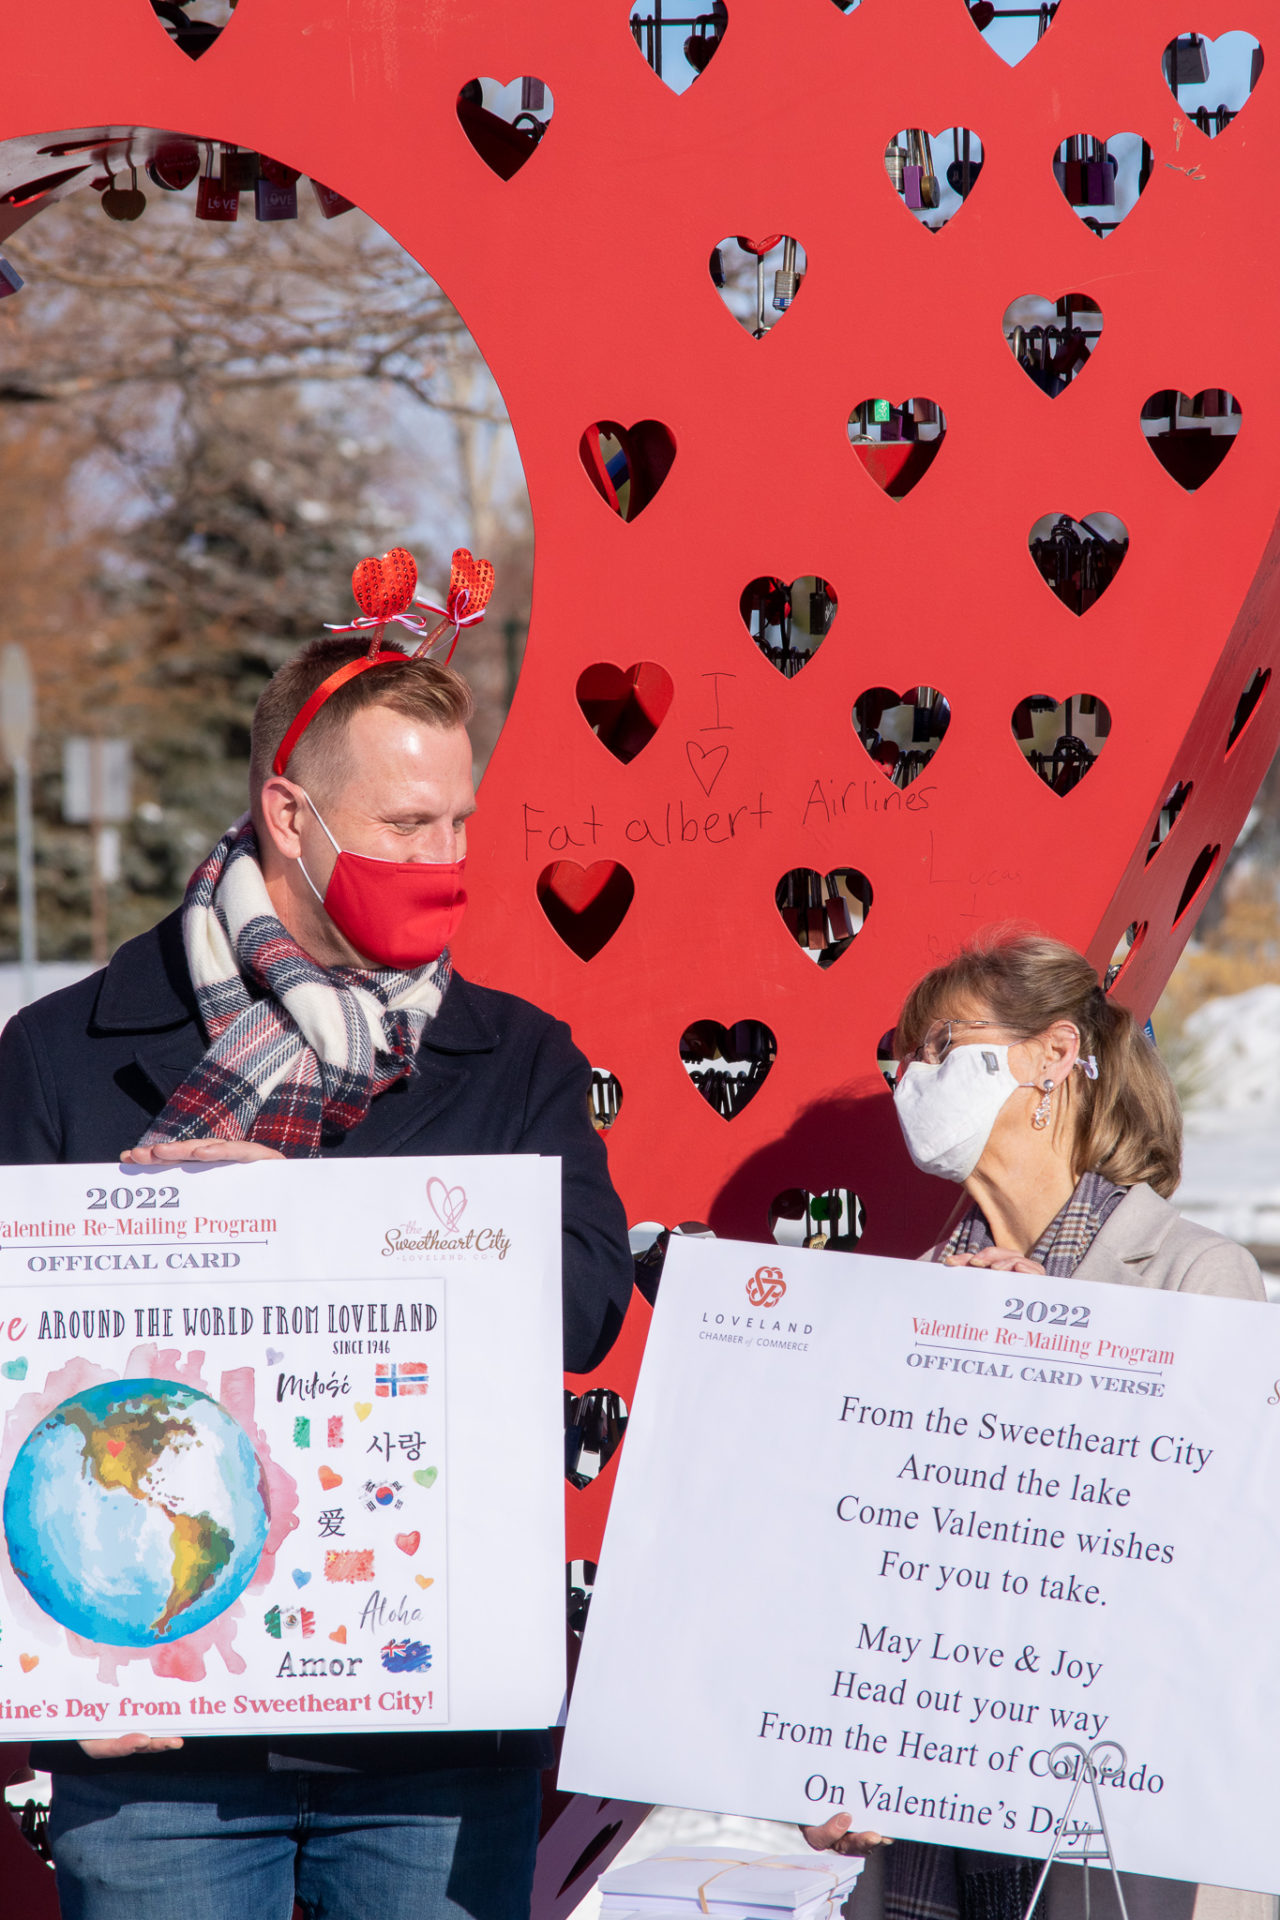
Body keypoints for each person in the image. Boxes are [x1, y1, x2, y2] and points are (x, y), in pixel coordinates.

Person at [0, 621, 634, 1920]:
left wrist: (320, 1228)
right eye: (406, 826)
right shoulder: (61, 1055)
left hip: (432, 1747)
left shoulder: (515, 1060)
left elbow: (581, 1308)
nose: (445, 861)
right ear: (290, 815)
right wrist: (50, 1669)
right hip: (158, 1749)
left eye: (460, 821)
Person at [802, 932, 1275, 1920]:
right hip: (928, 1843)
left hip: (1109, 1837)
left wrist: (1063, 1349)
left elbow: (1214, 1562)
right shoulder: (905, 1301)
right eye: (902, 1059)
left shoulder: (1195, 1275)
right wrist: (827, 1751)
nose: (909, 1079)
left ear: (1050, 1057)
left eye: (935, 1047)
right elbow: (865, 1569)